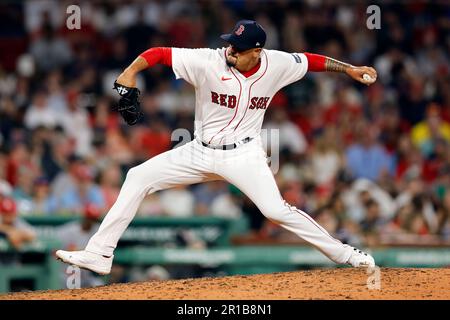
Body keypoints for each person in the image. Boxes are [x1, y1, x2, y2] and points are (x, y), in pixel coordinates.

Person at [56, 20, 377, 275]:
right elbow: (159, 53)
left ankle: (347, 254)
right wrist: (130, 72)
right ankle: (100, 254)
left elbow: (311, 61)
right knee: (138, 177)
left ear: (257, 52)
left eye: (237, 48)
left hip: (244, 154)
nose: (229, 51)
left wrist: (349, 69)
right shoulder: (208, 61)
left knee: (275, 210)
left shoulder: (276, 63)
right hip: (199, 150)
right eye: (229, 44)